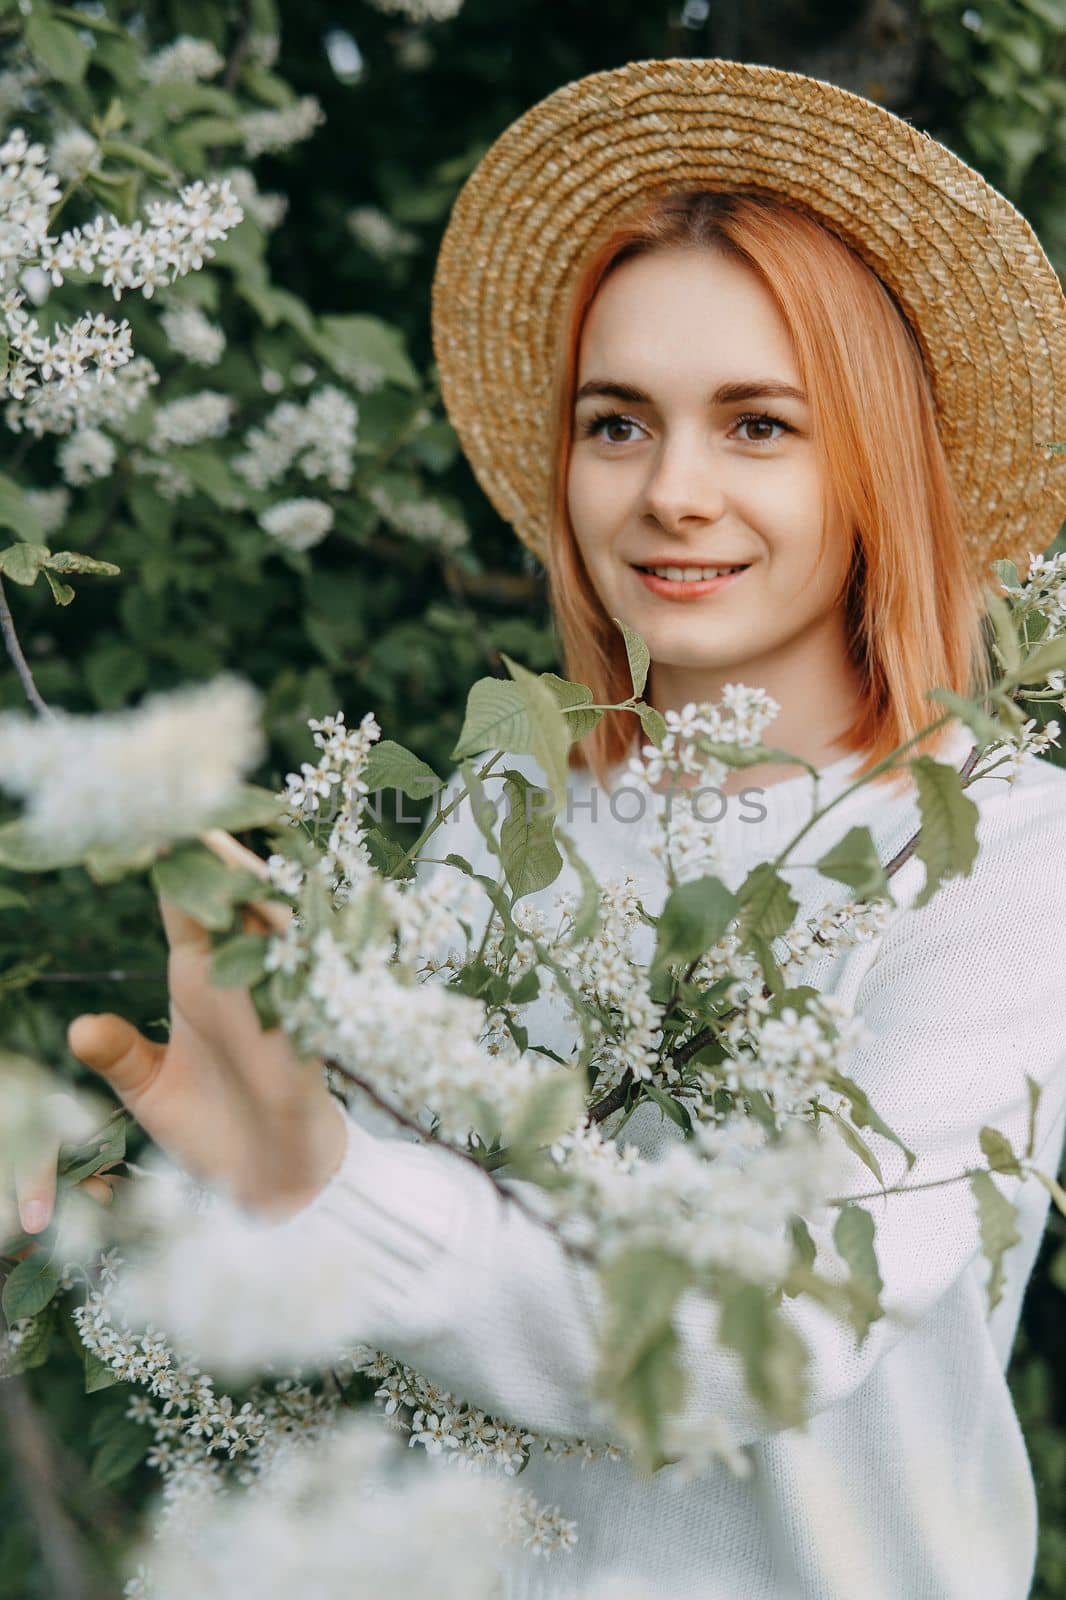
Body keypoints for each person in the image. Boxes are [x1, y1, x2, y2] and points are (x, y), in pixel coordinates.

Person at [17, 58, 1066, 1600]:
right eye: (617, 422)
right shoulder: (517, 804)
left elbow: (748, 1342)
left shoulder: (1001, 859)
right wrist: (117, 1179)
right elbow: (404, 1236)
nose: (672, 493)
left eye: (759, 424)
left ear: (874, 458)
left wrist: (328, 1183)